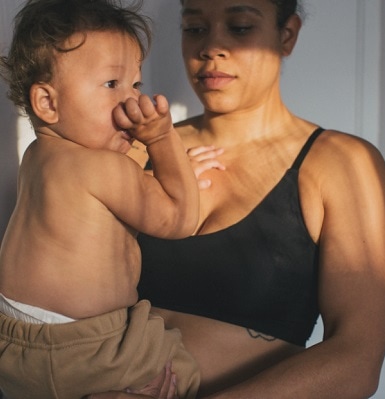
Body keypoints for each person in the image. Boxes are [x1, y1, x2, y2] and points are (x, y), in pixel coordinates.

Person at [89, 0, 385, 398]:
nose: (211, 47)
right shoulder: (134, 150)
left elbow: (358, 361)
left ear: (287, 35)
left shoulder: (341, 164)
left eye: (239, 27)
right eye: (195, 28)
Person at [0, 0, 201, 398]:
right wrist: (163, 140)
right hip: (87, 347)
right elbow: (181, 216)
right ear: (48, 103)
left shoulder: (37, 157)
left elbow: (117, 182)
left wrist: (150, 157)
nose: (131, 102)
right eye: (112, 84)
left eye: (136, 85)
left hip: (14, 341)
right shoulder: (104, 170)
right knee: (181, 370)